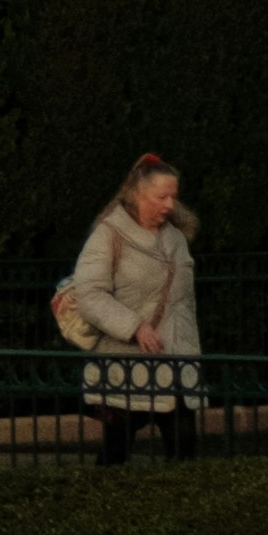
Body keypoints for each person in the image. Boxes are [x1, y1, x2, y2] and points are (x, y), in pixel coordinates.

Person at [53, 149, 202, 449]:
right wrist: (135, 326)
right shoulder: (109, 235)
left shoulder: (175, 238)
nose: (170, 204)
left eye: (173, 196)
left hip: (175, 365)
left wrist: (190, 358)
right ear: (138, 194)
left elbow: (184, 305)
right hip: (126, 367)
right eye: (162, 197)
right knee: (116, 450)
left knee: (184, 447)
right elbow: (90, 294)